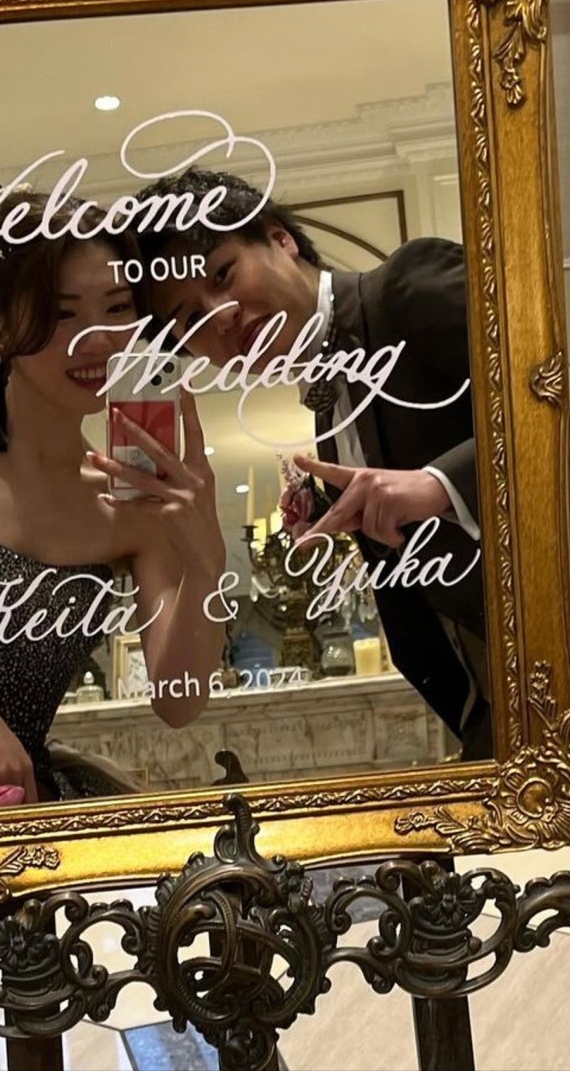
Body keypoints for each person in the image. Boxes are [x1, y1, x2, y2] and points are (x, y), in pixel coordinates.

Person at [136, 169, 491, 760]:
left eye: (222, 275)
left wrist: (437, 485)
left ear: (281, 239)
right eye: (191, 320)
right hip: (483, 702)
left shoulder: (408, 284)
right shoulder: (326, 412)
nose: (219, 316)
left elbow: (546, 407)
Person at [0, 191, 226, 803]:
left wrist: (206, 559)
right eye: (62, 315)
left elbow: (179, 701)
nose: (98, 341)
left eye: (117, 309)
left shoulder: (126, 501)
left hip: (26, 808)